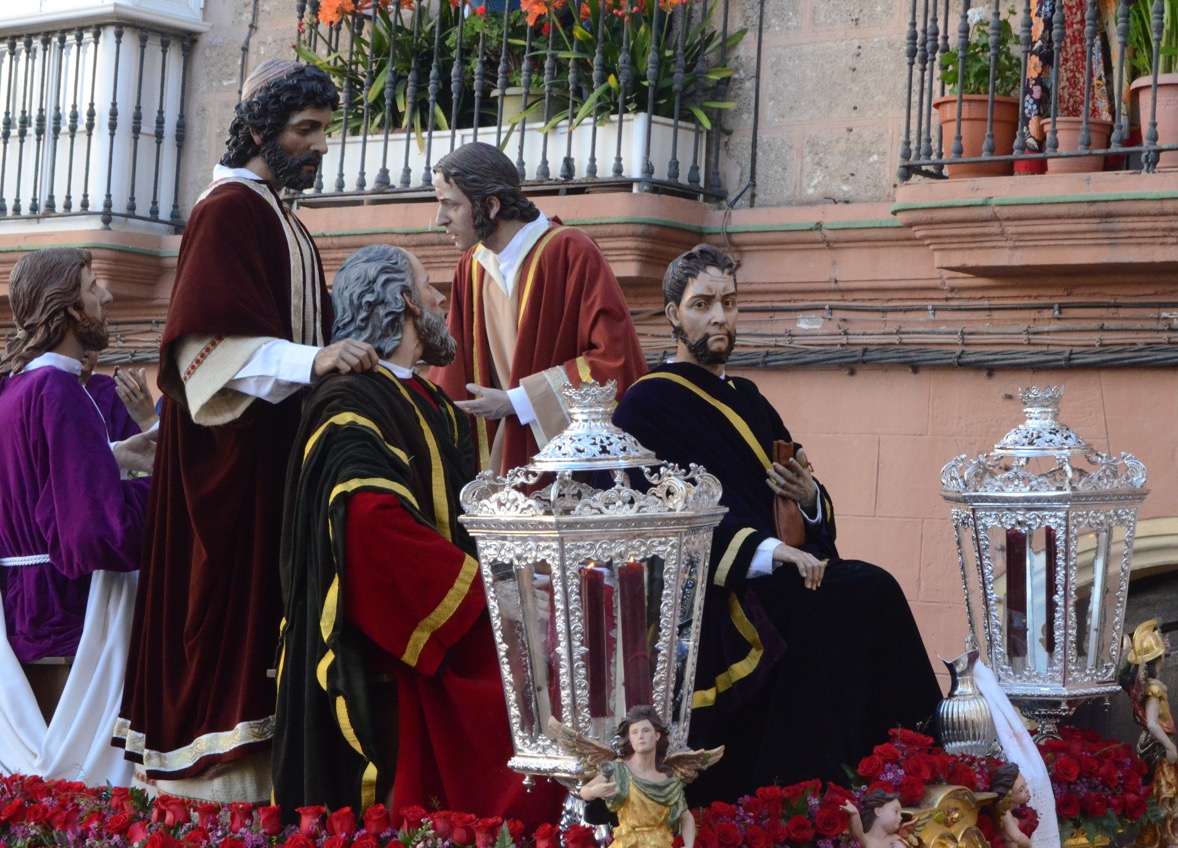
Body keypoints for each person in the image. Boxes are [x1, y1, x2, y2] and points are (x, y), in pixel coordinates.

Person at [114, 59, 379, 802]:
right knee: (223, 618)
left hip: (275, 462)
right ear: (260, 129)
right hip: (227, 469)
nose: (320, 145)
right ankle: (216, 791)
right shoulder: (228, 210)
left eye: (325, 130)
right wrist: (314, 358)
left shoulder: (277, 213)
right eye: (306, 130)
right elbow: (206, 348)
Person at [612, 244, 942, 804]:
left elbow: (797, 486)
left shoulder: (748, 396)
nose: (719, 317)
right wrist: (766, 552)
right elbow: (658, 512)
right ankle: (800, 793)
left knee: (873, 589)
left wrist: (810, 500)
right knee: (810, 613)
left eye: (729, 302)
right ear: (672, 315)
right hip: (718, 591)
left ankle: (909, 770)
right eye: (702, 304)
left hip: (781, 566)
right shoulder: (646, 405)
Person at [273, 244, 561, 824]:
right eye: (430, 287)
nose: (440, 299)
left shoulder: (428, 399)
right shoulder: (349, 399)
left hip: (453, 619)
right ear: (405, 302)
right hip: (410, 636)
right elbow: (369, 526)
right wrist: (492, 594)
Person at [0, 247, 152, 786]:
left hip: (25, 603)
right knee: (87, 788)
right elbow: (95, 530)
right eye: (93, 288)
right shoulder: (58, 389)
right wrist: (163, 491)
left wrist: (112, 457)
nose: (106, 297)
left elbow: (37, 484)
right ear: (66, 308)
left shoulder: (18, 387)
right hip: (68, 611)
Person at [428, 142, 647, 474]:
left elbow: (614, 362)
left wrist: (518, 402)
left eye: (450, 205)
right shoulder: (471, 267)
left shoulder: (571, 252)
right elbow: (453, 372)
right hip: (501, 461)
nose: (439, 219)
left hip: (569, 462)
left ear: (490, 206)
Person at [577, 706, 701, 848]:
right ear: (630, 738)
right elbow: (584, 791)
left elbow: (686, 818)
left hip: (659, 843)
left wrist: (689, 845)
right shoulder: (619, 769)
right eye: (634, 732)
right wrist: (594, 792)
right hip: (627, 843)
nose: (640, 736)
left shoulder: (669, 780)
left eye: (645, 730)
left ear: (657, 735)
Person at [1124, 619, 1178, 848]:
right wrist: (1169, 746)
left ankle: (1170, 833)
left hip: (1156, 743)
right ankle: (1158, 839)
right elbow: (1153, 723)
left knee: (1177, 792)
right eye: (1163, 653)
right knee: (1165, 795)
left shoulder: (1148, 682)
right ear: (1159, 658)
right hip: (1157, 745)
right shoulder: (1153, 689)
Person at [79, 350, 158, 439]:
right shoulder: (61, 390)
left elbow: (142, 448)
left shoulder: (116, 395)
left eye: (91, 339)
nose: (84, 348)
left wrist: (148, 419)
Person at [840, 789, 909, 848]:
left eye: (900, 814)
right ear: (878, 811)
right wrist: (855, 814)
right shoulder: (867, 840)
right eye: (896, 812)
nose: (900, 817)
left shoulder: (895, 839)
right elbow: (858, 834)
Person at [988, 763, 1034, 848]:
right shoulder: (1004, 810)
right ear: (1008, 795)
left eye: (1025, 785)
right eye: (1021, 790)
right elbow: (1017, 837)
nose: (1027, 791)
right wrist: (1029, 845)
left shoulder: (1007, 808)